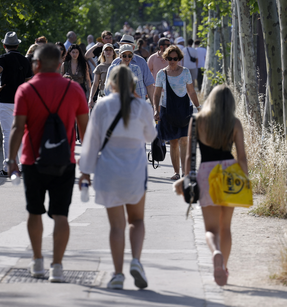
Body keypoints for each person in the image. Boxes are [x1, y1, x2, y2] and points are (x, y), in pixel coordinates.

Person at [7, 44, 89, 283]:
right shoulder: (74, 90)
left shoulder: (26, 89)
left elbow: (16, 127)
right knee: (61, 214)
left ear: (37, 64)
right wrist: (87, 167)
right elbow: (86, 130)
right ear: (60, 63)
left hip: (33, 160)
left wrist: (11, 160)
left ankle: (37, 261)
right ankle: (58, 266)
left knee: (34, 211)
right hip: (65, 160)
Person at [77, 66, 157, 290]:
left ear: (110, 84)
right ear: (132, 84)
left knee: (116, 226)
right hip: (134, 171)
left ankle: (118, 274)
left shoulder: (102, 106)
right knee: (137, 221)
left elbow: (92, 142)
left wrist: (85, 172)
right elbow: (151, 136)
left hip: (109, 172)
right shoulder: (142, 107)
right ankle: (137, 261)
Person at [173, 85, 247, 287]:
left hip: (206, 173)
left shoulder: (197, 121)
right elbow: (242, 158)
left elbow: (189, 155)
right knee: (226, 227)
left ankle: (215, 253)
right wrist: (245, 181)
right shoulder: (234, 123)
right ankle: (224, 266)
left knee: (211, 229)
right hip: (229, 174)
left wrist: (187, 179)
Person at [153, 45, 202, 180]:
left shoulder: (185, 72)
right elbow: (156, 94)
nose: (172, 61)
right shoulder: (161, 74)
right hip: (167, 110)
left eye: (175, 58)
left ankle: (186, 172)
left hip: (184, 110)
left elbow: (191, 91)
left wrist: (198, 107)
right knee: (173, 142)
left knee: (184, 141)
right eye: (169, 58)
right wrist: (155, 110)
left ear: (179, 58)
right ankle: (176, 172)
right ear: (166, 58)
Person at [0, 32, 32, 176]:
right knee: (21, 133)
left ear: (4, 45)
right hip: (21, 102)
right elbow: (29, 81)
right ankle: (22, 165)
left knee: (7, 134)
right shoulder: (24, 60)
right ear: (17, 45)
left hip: (5, 101)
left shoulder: (2, 58)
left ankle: (8, 167)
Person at [108, 34, 156, 104]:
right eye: (122, 45)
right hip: (118, 102)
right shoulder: (114, 63)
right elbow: (109, 86)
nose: (124, 47)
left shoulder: (141, 62)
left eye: (127, 45)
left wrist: (153, 107)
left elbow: (149, 85)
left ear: (133, 48)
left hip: (137, 102)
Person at [105, 44, 153, 110]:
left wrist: (142, 105)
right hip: (115, 104)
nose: (127, 58)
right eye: (124, 55)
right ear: (120, 56)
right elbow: (107, 89)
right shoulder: (112, 68)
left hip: (132, 105)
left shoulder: (136, 69)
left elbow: (140, 89)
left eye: (129, 55)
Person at [89, 43, 116, 109]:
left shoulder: (118, 65)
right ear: (103, 53)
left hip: (115, 95)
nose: (108, 51)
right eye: (106, 50)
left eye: (110, 50)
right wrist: (91, 98)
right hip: (102, 96)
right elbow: (95, 84)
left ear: (113, 53)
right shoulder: (99, 67)